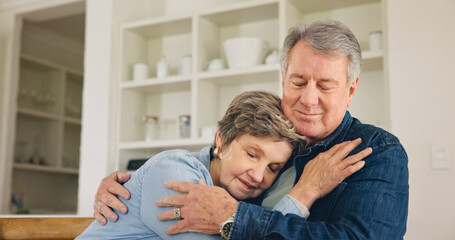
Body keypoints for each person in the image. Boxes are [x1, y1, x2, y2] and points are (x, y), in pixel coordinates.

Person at [95, 19, 409, 239]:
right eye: (298, 82)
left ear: (351, 90)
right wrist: (138, 179)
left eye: (325, 86)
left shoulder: (378, 151)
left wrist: (235, 218)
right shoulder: (284, 142)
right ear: (284, 79)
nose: (308, 99)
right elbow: (217, 162)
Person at [77, 91, 369, 239]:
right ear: (222, 139)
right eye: (252, 154)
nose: (257, 175)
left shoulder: (236, 199)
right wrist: (303, 194)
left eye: (273, 168)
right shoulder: (173, 171)